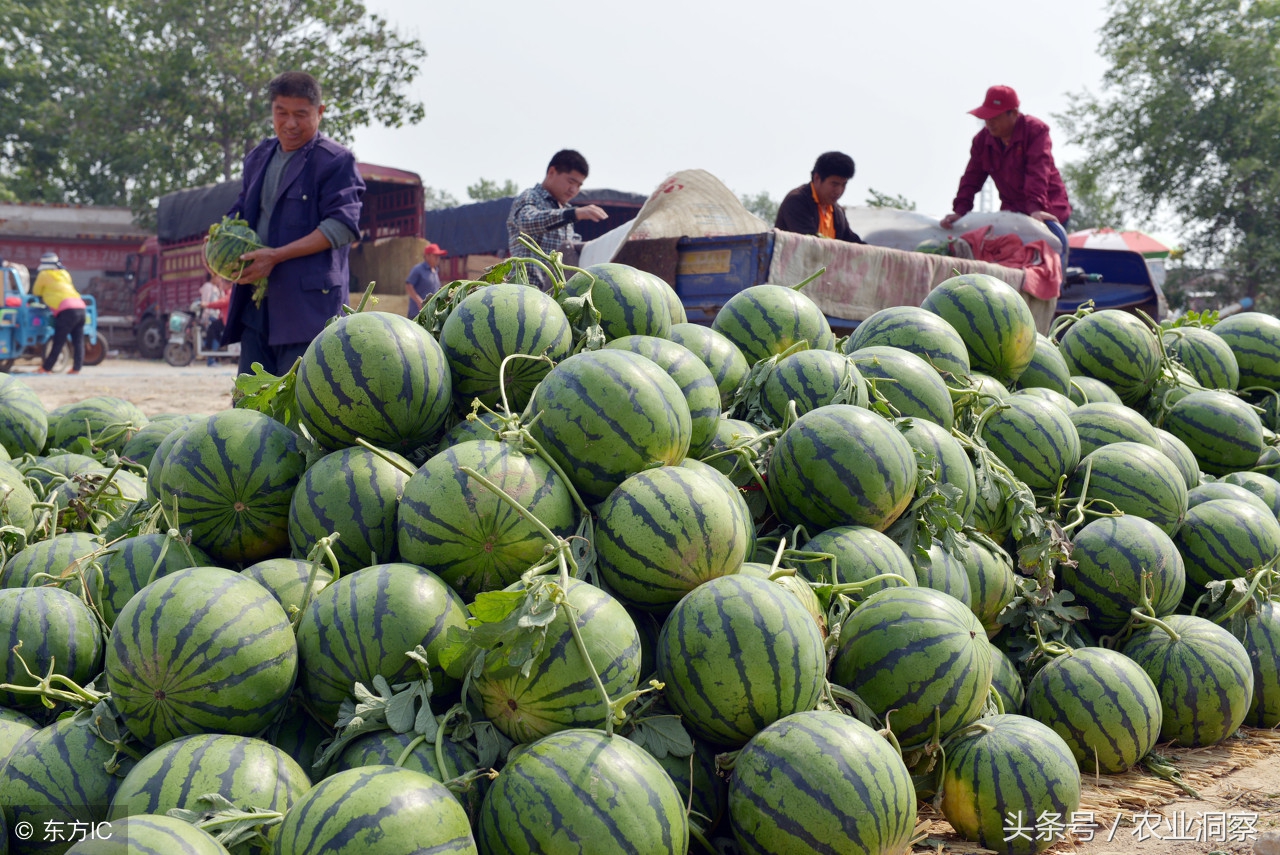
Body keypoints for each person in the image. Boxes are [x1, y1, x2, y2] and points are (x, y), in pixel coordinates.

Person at [220, 71, 365, 375]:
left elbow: (342, 226)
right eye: (281, 113)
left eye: (301, 114)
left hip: (309, 312)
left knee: (299, 404)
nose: (290, 124)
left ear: (320, 112)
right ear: (271, 110)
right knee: (250, 405)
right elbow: (241, 213)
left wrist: (276, 256)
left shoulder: (335, 161)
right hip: (257, 306)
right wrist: (217, 243)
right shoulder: (258, 157)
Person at [940, 86, 1072, 231]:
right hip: (1013, 214)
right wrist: (960, 211)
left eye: (995, 117)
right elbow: (971, 178)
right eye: (987, 117)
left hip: (1047, 211)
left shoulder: (1035, 131)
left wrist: (1036, 208)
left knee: (1042, 252)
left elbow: (1037, 171)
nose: (989, 122)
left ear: (1014, 113)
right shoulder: (982, 141)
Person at [506, 149, 608, 282]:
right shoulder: (530, 197)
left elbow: (573, 247)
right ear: (552, 172)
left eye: (579, 185)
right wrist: (574, 214)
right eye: (571, 182)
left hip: (556, 293)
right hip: (526, 289)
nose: (574, 190)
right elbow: (527, 221)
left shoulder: (566, 211)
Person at [774, 152, 864, 243]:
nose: (839, 191)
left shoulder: (838, 211)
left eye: (844, 185)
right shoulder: (796, 201)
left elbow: (852, 241)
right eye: (834, 184)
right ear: (817, 178)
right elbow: (811, 244)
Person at [31, 252, 87, 375]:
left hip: (66, 310)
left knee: (59, 340)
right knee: (78, 341)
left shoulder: (44, 274)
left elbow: (36, 291)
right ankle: (76, 369)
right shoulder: (64, 273)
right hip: (81, 307)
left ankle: (46, 368)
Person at [405, 242, 447, 317]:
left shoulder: (435, 270)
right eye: (435, 255)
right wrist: (420, 302)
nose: (438, 258)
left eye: (439, 256)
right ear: (427, 256)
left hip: (430, 314)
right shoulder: (418, 269)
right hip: (417, 314)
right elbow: (408, 286)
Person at [199, 276, 229, 366]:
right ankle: (211, 360)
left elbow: (222, 300)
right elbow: (205, 301)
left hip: (216, 316)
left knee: (214, 336)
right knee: (214, 337)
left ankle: (211, 357)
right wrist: (207, 306)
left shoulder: (217, 288)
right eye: (218, 277)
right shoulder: (208, 286)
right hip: (210, 315)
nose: (220, 280)